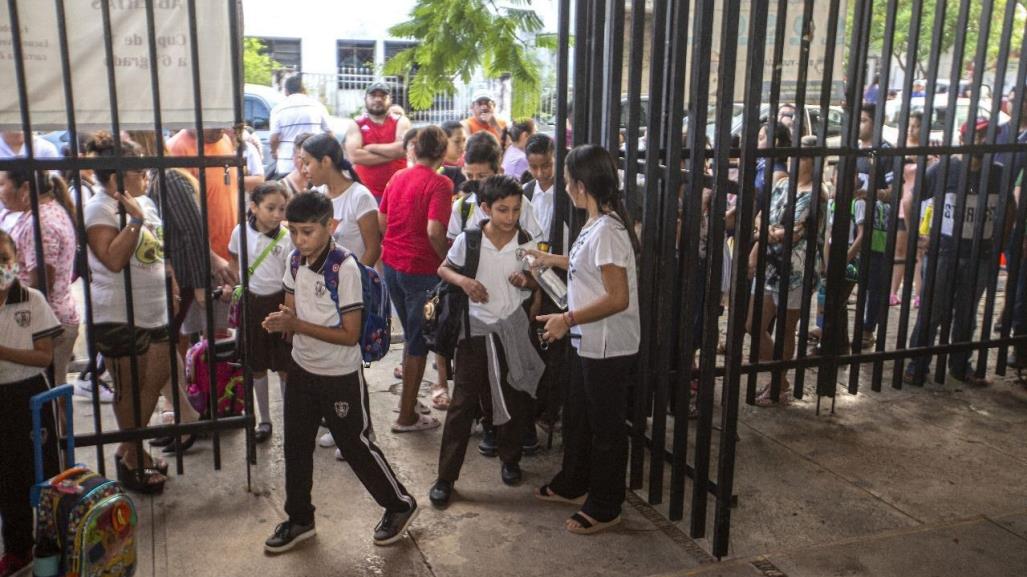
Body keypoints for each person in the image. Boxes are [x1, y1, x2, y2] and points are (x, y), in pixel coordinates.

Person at [262, 191, 418, 553]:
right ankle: (300, 519)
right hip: (302, 369)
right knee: (296, 447)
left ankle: (400, 505)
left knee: (356, 446)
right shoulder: (295, 260)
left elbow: (350, 336)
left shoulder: (344, 268)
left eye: (308, 232)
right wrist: (282, 322)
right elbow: (290, 308)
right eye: (293, 232)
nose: (300, 241)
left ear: (330, 226)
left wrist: (296, 324)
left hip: (339, 376)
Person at [530, 144, 640, 536]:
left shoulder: (609, 230)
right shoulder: (594, 223)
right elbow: (586, 267)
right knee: (578, 415)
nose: (562, 186)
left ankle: (607, 504)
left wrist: (566, 318)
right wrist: (549, 260)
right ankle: (574, 481)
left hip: (608, 346)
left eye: (564, 179)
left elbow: (617, 297)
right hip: (585, 340)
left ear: (580, 184)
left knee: (606, 427)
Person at [428, 175, 544, 507]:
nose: (510, 217)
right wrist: (465, 282)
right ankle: (445, 477)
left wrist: (527, 280)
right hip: (475, 330)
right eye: (502, 210)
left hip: (512, 329)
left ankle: (510, 460)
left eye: (516, 210)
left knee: (513, 395)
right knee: (463, 402)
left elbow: (536, 280)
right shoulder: (471, 240)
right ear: (485, 209)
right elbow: (444, 269)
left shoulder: (525, 240)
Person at [83, 133, 173, 493]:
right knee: (130, 388)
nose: (147, 175)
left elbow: (157, 249)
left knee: (157, 376)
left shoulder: (144, 202)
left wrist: (172, 280)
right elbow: (113, 259)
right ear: (118, 177)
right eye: (140, 170)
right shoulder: (100, 208)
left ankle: (129, 446)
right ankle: (135, 456)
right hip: (118, 313)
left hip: (155, 308)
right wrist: (133, 221)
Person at [905, 119, 1010, 387]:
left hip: (979, 256)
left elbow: (1010, 210)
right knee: (933, 311)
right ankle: (918, 364)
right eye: (979, 134)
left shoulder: (997, 172)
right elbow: (910, 200)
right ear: (964, 138)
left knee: (967, 313)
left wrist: (1002, 240)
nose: (984, 140)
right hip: (943, 253)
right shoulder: (944, 169)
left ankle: (960, 366)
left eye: (988, 134)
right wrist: (916, 235)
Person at [299, 133, 382, 453]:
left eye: (308, 162)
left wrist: (351, 287)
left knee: (351, 364)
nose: (304, 168)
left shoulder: (359, 197)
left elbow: (373, 247)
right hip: (321, 294)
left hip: (351, 295)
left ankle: (362, 431)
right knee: (331, 364)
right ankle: (340, 424)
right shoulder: (317, 195)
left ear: (326, 161)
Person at [378, 127, 453, 433]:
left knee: (411, 336)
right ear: (442, 153)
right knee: (419, 340)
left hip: (392, 265)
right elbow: (436, 231)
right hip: (421, 270)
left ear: (414, 149)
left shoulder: (397, 178)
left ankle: (408, 402)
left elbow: (382, 220)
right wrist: (444, 259)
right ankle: (406, 416)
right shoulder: (440, 184)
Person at [0, 229, 61, 577]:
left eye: (4, 260)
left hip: (30, 396)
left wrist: (3, 353)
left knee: (43, 472)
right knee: (7, 474)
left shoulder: (31, 300)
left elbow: (43, 357)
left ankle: (51, 543)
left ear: (16, 261)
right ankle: (16, 547)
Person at [746, 136, 816, 406]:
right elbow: (761, 219)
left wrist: (769, 230)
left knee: (786, 329)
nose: (792, 159)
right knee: (753, 325)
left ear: (811, 160)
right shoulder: (782, 184)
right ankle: (781, 378)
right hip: (770, 264)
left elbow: (794, 232)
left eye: (800, 155)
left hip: (795, 270)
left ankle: (777, 383)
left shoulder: (814, 193)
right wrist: (769, 230)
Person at [226, 182, 294, 444]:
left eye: (282, 209)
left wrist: (290, 312)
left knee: (284, 365)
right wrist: (233, 284)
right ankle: (264, 419)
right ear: (253, 207)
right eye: (271, 208)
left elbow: (291, 278)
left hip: (278, 304)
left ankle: (291, 418)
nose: (278, 214)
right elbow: (233, 258)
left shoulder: (286, 238)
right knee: (257, 365)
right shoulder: (240, 232)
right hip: (252, 305)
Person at [0, 170, 79, 393]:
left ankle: (59, 429)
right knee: (52, 391)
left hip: (44, 324)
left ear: (24, 189)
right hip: (49, 319)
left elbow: (42, 282)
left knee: (48, 395)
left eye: (2, 184)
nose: (0, 192)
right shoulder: (42, 213)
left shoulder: (40, 222)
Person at [447, 132, 543, 243]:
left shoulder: (520, 204)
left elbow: (536, 245)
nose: (474, 181)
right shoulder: (462, 208)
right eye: (469, 175)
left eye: (482, 176)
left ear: (499, 172)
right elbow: (455, 252)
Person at [856, 103, 897, 349]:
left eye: (864, 120)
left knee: (875, 282)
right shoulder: (853, 150)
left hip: (878, 227)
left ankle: (868, 329)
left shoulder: (884, 152)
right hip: (852, 224)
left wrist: (870, 193)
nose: (859, 125)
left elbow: (894, 192)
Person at [345, 82, 411, 201]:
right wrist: (394, 155)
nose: (378, 99)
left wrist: (371, 147)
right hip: (366, 192)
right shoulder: (356, 124)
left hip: (398, 190)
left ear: (390, 99)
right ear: (365, 99)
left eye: (383, 96)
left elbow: (402, 149)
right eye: (373, 96)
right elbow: (355, 156)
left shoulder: (401, 121)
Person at [269, 75, 332, 177]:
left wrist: (274, 152)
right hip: (313, 165)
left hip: (287, 165)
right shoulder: (317, 106)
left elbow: (273, 139)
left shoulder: (278, 109)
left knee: (288, 192)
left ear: (286, 91)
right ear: (303, 89)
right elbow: (330, 134)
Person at [277, 132, 313, 197]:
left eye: (311, 159)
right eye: (300, 158)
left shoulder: (324, 185)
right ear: (293, 157)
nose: (305, 165)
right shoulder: (282, 188)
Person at [440, 120, 467, 191]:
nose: (462, 146)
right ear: (443, 141)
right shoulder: (438, 166)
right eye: (457, 141)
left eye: (464, 140)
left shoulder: (468, 161)